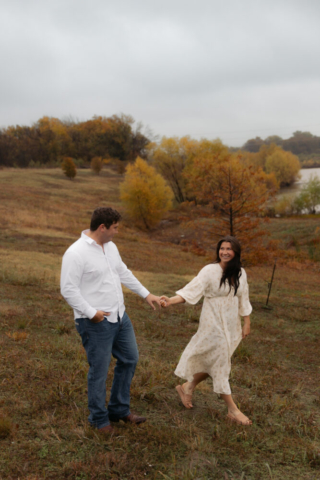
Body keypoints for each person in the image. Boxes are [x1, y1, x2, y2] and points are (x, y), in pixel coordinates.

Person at [60, 207, 161, 435]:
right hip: (95, 322)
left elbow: (123, 272)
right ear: (103, 227)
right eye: (115, 227)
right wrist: (91, 312)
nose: (117, 231)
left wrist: (147, 294)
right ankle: (98, 419)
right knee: (99, 370)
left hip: (120, 317)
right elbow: (67, 289)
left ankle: (118, 409)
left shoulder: (111, 247)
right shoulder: (76, 253)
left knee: (130, 359)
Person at [160, 236, 252, 425]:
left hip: (231, 323)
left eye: (229, 249)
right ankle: (232, 410)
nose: (224, 252)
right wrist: (170, 300)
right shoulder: (209, 271)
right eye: (222, 248)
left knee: (216, 360)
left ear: (236, 252)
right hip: (213, 322)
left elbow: (244, 298)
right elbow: (191, 291)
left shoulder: (241, 273)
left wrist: (247, 321)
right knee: (220, 362)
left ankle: (188, 386)